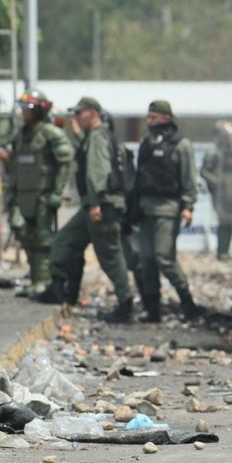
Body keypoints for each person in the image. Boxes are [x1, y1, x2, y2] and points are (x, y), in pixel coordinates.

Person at [36, 97, 134, 322]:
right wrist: (78, 131)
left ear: (92, 113)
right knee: (66, 240)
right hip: (95, 203)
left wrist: (97, 202)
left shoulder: (99, 137)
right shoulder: (99, 136)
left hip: (101, 204)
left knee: (110, 256)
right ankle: (59, 287)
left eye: (80, 114)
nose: (76, 118)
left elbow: (97, 171)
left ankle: (126, 303)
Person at [0, 90, 73, 297]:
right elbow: (13, 159)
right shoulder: (21, 134)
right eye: (23, 109)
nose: (25, 113)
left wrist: (57, 192)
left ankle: (43, 281)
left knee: (42, 240)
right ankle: (34, 280)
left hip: (43, 195)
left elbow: (65, 163)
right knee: (23, 234)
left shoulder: (51, 133)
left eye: (29, 109)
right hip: (22, 195)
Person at [132, 100, 199, 322]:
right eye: (148, 117)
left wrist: (187, 207)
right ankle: (152, 309)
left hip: (167, 209)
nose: (150, 121)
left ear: (167, 118)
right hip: (145, 209)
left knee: (164, 257)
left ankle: (188, 303)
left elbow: (189, 179)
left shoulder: (181, 145)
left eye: (155, 117)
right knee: (147, 259)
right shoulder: (147, 143)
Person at [200, 121, 232, 260]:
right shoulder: (213, 153)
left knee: (230, 222)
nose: (230, 139)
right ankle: (221, 252)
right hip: (219, 194)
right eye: (227, 136)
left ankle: (225, 251)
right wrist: (218, 183)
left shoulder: (231, 153)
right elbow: (204, 172)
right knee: (224, 221)